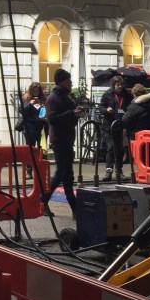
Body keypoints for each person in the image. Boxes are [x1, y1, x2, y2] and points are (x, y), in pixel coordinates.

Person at [43, 68, 83, 218]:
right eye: (68, 80)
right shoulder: (53, 98)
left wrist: (76, 114)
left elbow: (69, 119)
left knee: (66, 175)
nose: (71, 82)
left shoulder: (67, 98)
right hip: (59, 140)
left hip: (67, 139)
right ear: (61, 82)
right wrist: (72, 113)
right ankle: (44, 200)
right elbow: (52, 119)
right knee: (62, 173)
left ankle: (74, 209)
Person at [97, 75, 132, 181]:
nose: (120, 87)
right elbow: (100, 107)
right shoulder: (107, 94)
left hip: (121, 125)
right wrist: (106, 110)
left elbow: (130, 107)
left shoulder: (127, 95)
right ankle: (108, 172)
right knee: (111, 148)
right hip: (109, 125)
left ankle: (119, 171)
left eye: (121, 85)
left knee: (120, 149)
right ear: (113, 85)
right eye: (118, 85)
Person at [19, 82, 47, 148]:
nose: (36, 92)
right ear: (31, 91)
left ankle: (41, 158)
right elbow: (21, 110)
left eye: (37, 91)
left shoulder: (43, 99)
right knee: (31, 148)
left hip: (41, 126)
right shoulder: (26, 98)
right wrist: (29, 104)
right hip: (30, 127)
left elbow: (47, 110)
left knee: (42, 148)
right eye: (34, 91)